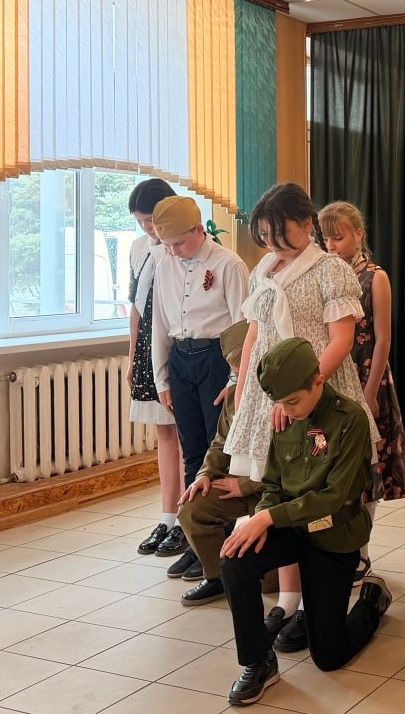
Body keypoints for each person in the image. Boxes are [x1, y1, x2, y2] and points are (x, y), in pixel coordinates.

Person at [226, 184, 380, 653]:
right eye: (265, 235)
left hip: (316, 389)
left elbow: (341, 340)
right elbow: (255, 335)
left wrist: (306, 385)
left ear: (307, 223)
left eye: (281, 233)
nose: (273, 244)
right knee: (280, 489)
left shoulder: (331, 270)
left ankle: (335, 589)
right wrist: (244, 387)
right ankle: (288, 599)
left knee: (324, 488)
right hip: (271, 393)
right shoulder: (263, 270)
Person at [220, 338, 393, 706]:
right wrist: (263, 516)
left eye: (293, 401)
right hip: (292, 528)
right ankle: (258, 662)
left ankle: (372, 600)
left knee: (329, 656)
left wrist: (269, 516)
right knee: (235, 559)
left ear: (318, 380)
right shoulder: (285, 415)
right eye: (280, 403)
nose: (286, 410)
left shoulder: (351, 419)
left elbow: (335, 497)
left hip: (334, 536)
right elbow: (273, 484)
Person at [151, 195, 250, 581]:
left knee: (217, 454)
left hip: (216, 360)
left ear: (198, 229)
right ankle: (196, 542)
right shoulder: (164, 263)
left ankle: (220, 545)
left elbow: (243, 327)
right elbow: (160, 323)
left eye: (179, 242)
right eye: (168, 245)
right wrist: (161, 378)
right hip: (181, 360)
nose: (174, 251)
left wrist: (234, 379)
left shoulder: (229, 264)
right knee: (191, 453)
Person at [320, 201, 405, 578]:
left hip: (367, 375)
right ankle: (336, 548)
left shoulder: (375, 278)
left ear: (358, 235)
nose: (331, 246)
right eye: (325, 239)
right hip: (334, 377)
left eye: (338, 238)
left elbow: (383, 338)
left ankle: (361, 550)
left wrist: (371, 392)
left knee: (368, 469)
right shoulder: (324, 274)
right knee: (336, 469)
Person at [175, 322, 260, 605]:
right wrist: (205, 474)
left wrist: (246, 485)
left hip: (270, 491)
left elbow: (286, 463)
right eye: (234, 369)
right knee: (192, 508)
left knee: (268, 581)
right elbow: (220, 442)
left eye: (241, 367)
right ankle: (217, 577)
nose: (237, 375)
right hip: (237, 485)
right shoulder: (233, 397)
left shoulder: (281, 397)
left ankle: (250, 572)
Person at [126, 178, 189, 559]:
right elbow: (135, 306)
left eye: (150, 219)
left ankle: (187, 520)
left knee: (187, 436)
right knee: (163, 434)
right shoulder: (138, 249)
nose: (147, 227)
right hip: (148, 348)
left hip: (179, 347)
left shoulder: (179, 247)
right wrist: (132, 355)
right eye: (140, 222)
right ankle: (167, 516)